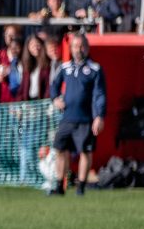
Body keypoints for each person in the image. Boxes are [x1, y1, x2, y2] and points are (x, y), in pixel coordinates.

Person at [49, 33, 106, 196]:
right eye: (75, 46)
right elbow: (54, 85)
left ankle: (81, 186)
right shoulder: (65, 67)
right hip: (67, 117)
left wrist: (99, 116)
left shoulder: (95, 69)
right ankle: (59, 186)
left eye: (81, 46)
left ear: (87, 48)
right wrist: (55, 99)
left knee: (85, 152)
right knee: (60, 149)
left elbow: (99, 94)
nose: (78, 50)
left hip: (85, 119)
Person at [20, 35, 51, 101]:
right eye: (32, 45)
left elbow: (49, 86)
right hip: (30, 101)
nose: (35, 47)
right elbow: (23, 87)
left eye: (37, 44)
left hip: (43, 101)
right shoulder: (27, 66)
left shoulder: (48, 64)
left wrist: (45, 101)